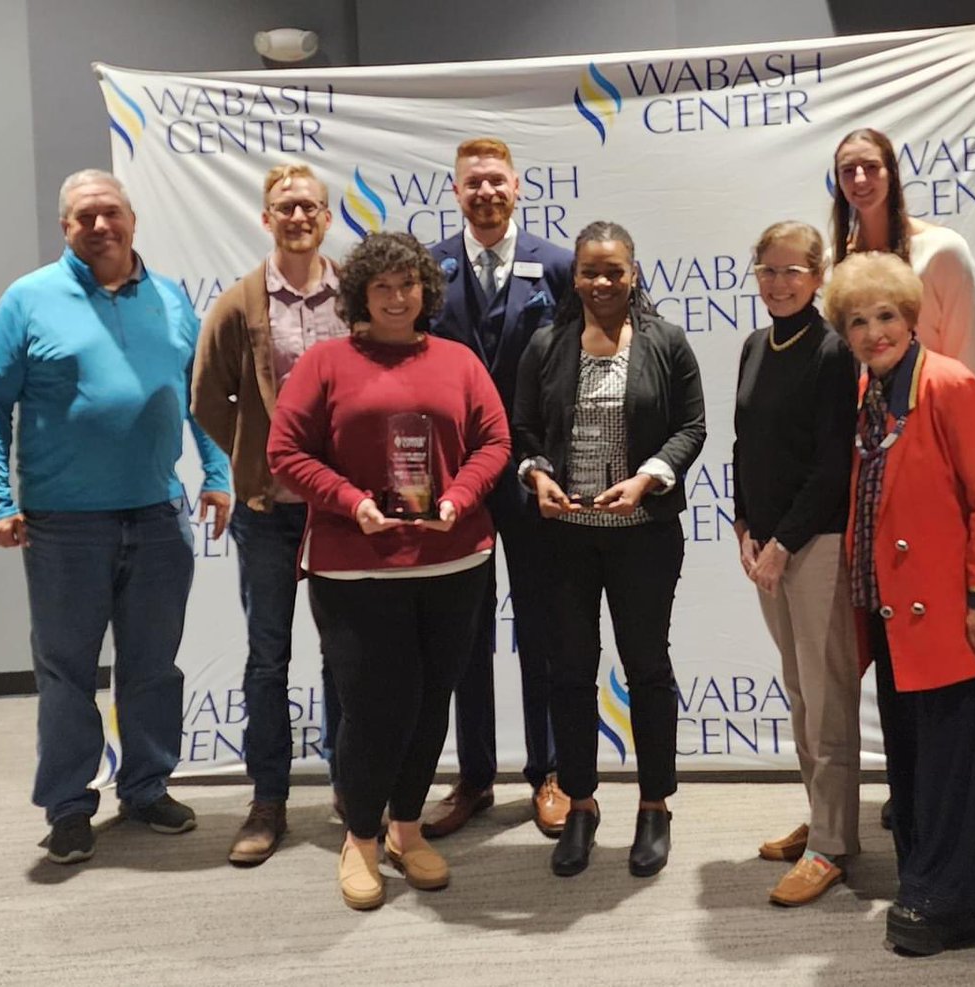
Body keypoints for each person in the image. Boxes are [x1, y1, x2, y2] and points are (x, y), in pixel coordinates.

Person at [0, 169, 232, 865]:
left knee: (152, 665)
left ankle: (146, 786)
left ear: (132, 220)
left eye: (109, 212)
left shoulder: (172, 300)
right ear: (66, 228)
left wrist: (219, 472)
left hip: (156, 515)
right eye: (83, 216)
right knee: (66, 671)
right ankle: (69, 803)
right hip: (64, 524)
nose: (98, 225)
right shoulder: (28, 300)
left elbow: (199, 395)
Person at [266, 231, 510, 911]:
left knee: (433, 698)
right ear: (360, 296)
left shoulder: (459, 360)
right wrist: (351, 503)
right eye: (383, 287)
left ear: (426, 291)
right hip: (356, 566)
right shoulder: (326, 362)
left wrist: (458, 498)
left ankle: (407, 825)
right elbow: (284, 451)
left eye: (408, 284)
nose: (398, 297)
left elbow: (495, 440)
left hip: (452, 557)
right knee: (375, 706)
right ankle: (362, 837)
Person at [823, 252, 975, 955]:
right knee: (919, 764)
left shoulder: (948, 384)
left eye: (885, 316)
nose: (873, 331)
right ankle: (933, 882)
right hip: (896, 618)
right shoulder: (869, 394)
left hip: (960, 616)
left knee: (959, 766)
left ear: (911, 317)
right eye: (857, 321)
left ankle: (951, 902)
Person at [513, 220, 706, 878]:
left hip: (644, 538)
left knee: (647, 668)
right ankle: (582, 804)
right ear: (574, 276)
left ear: (633, 271)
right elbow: (523, 431)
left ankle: (655, 807)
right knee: (568, 673)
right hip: (563, 542)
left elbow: (691, 425)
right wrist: (536, 474)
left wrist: (651, 475)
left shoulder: (667, 342)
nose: (601, 282)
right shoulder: (545, 344)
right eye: (589, 271)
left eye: (613, 270)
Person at [192, 163, 346, 866]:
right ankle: (268, 800)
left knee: (347, 656)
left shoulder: (357, 297)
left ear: (326, 215)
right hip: (268, 512)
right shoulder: (239, 304)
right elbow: (206, 400)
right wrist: (255, 457)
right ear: (265, 218)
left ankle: (354, 792)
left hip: (343, 513)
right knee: (268, 659)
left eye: (309, 205)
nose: (297, 216)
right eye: (285, 206)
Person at [425, 137, 575, 839]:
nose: (485, 192)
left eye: (496, 180)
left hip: (537, 473)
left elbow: (600, 354)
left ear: (518, 186)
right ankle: (475, 774)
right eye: (472, 182)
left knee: (542, 627)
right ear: (455, 192)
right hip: (456, 480)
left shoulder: (560, 265)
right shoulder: (426, 270)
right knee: (464, 632)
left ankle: (547, 771)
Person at [732, 222, 860, 906]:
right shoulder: (755, 344)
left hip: (814, 546)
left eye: (793, 272)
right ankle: (825, 817)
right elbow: (742, 440)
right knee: (800, 692)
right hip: (769, 547)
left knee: (827, 697)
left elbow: (833, 462)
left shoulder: (834, 349)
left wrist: (783, 541)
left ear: (818, 277)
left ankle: (834, 846)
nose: (779, 283)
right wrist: (743, 524)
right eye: (768, 269)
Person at [831, 127, 975, 383]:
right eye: (848, 170)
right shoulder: (833, 264)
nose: (859, 179)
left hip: (934, 414)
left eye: (871, 167)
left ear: (891, 173)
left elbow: (968, 365)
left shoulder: (943, 252)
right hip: (860, 420)